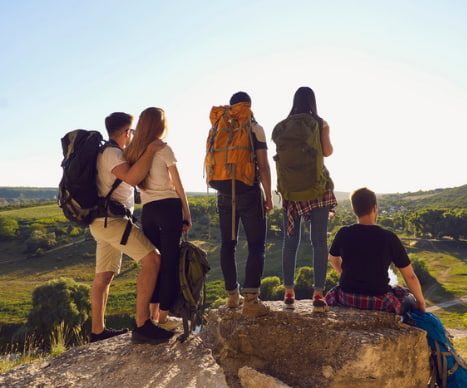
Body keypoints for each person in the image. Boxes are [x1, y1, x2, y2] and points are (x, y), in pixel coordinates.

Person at [89, 111, 174, 344]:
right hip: (113, 222)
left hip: (101, 223)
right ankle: (142, 325)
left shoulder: (103, 152)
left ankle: (97, 332)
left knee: (103, 276)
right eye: (132, 131)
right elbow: (133, 178)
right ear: (127, 132)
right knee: (153, 260)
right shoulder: (112, 154)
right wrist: (150, 150)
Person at [124, 107, 192, 330]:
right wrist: (187, 213)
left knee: (154, 263)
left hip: (149, 210)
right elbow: (178, 185)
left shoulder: (134, 151)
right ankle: (163, 318)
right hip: (169, 207)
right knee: (170, 264)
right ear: (160, 125)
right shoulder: (163, 148)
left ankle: (152, 316)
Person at [273, 86, 337, 312]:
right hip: (316, 188)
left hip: (291, 191)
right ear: (313, 101)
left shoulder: (284, 126)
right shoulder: (321, 124)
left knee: (290, 244)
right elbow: (327, 151)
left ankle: (288, 291)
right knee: (319, 242)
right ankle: (318, 294)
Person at [211, 91, 273, 317]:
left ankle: (231, 297)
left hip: (224, 192)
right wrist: (268, 195)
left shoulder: (219, 126)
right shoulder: (254, 127)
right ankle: (251, 301)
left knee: (228, 244)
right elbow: (264, 166)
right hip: (248, 191)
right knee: (256, 245)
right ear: (249, 105)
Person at [325, 187, 426, 314]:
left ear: (354, 211)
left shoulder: (343, 233)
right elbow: (410, 276)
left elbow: (333, 259)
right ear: (374, 208)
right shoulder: (389, 237)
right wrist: (421, 302)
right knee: (410, 299)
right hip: (379, 302)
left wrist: (345, 274)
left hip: (346, 298)